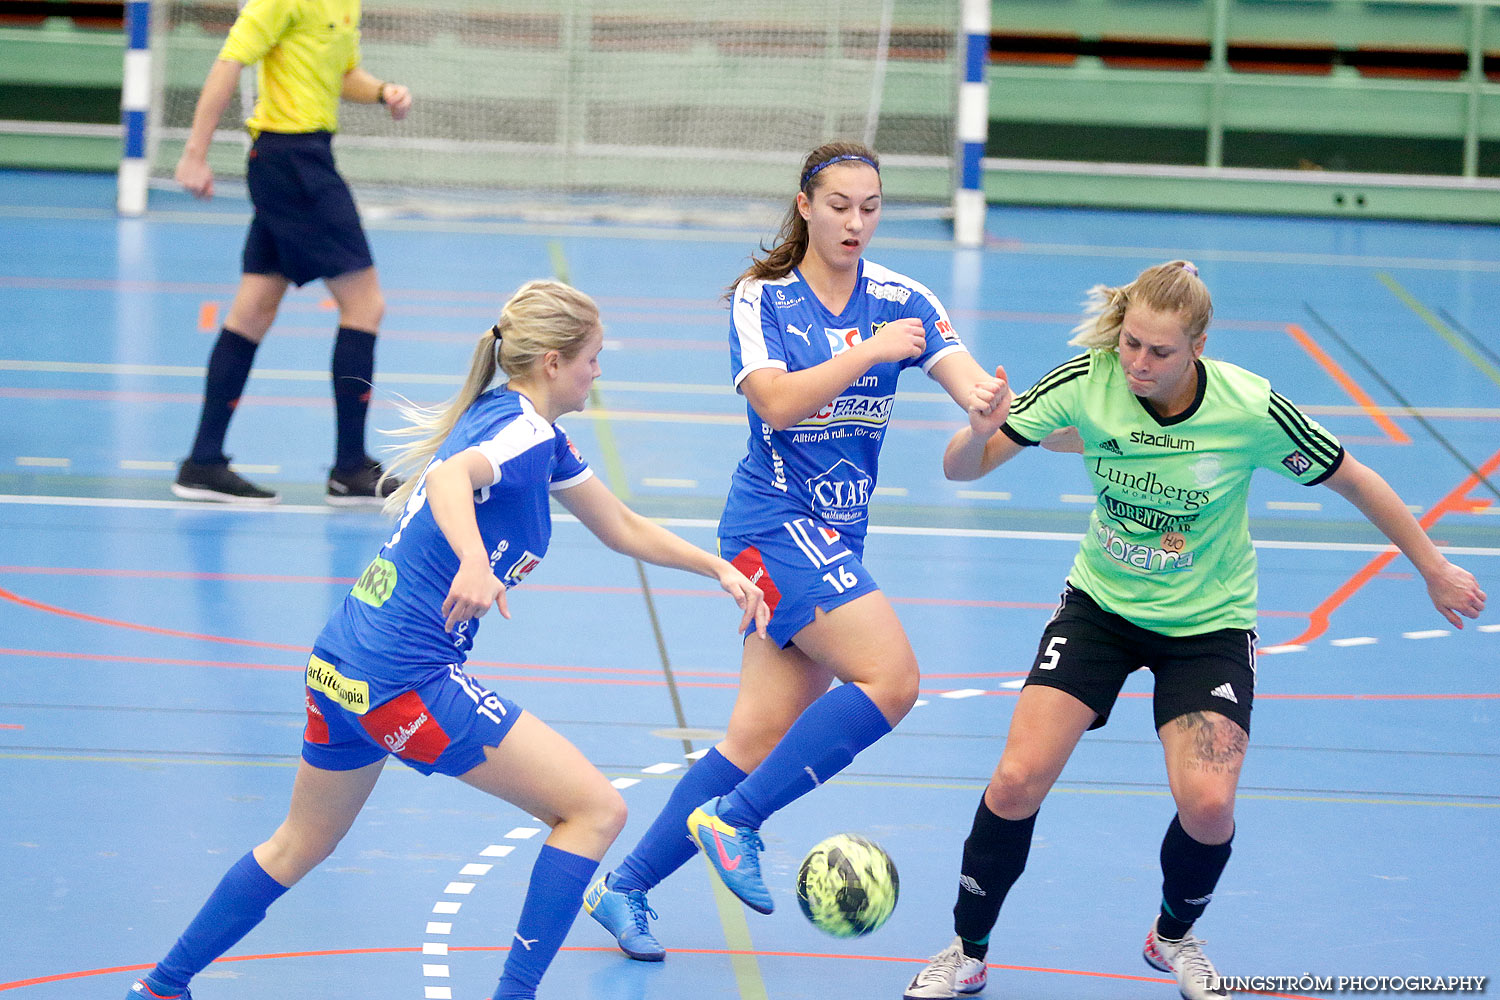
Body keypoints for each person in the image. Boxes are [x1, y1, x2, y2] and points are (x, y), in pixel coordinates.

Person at [124, 280, 770, 1000]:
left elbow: (620, 526)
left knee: (297, 843)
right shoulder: (518, 430)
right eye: (593, 358)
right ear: (554, 363)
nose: (598, 372)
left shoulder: (529, 432)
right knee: (595, 810)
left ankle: (160, 988)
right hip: (405, 678)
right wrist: (470, 558)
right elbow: (447, 479)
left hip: (341, 665)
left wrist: (715, 565)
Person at [903, 260, 1487, 1000]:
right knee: (1016, 781)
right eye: (1132, 344)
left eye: (1159, 351)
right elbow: (964, 471)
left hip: (1207, 625)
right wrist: (977, 429)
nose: (1139, 363)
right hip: (1099, 609)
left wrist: (1432, 568)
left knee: (1209, 806)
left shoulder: (1249, 409)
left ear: (1199, 346)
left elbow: (1355, 478)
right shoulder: (1086, 380)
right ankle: (967, 949)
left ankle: (1172, 936)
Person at [582, 140, 1048, 961]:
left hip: (836, 534)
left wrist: (988, 407)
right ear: (805, 205)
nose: (856, 222)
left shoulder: (904, 296)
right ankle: (737, 821)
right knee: (894, 682)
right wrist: (867, 349)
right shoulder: (763, 299)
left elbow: (970, 381)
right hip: (771, 523)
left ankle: (624, 889)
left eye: (870, 207)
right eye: (839, 205)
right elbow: (778, 403)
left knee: (754, 742)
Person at [169, 0, 413, 505]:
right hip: (291, 160)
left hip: (304, 157)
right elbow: (228, 62)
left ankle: (203, 462)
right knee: (365, 305)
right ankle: (349, 468)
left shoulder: (345, 5)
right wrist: (195, 152)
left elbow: (342, 75)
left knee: (253, 311)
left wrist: (382, 91)